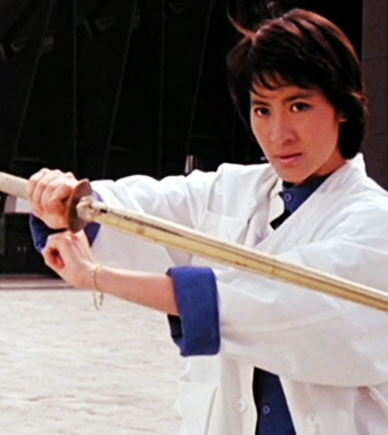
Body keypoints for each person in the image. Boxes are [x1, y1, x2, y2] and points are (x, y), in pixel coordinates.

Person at [28, 8, 388, 435]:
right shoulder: (233, 190)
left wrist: (97, 276)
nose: (279, 134)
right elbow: (146, 209)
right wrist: (70, 203)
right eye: (262, 110)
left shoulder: (374, 222)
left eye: (299, 105)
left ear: (343, 107)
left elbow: (273, 303)